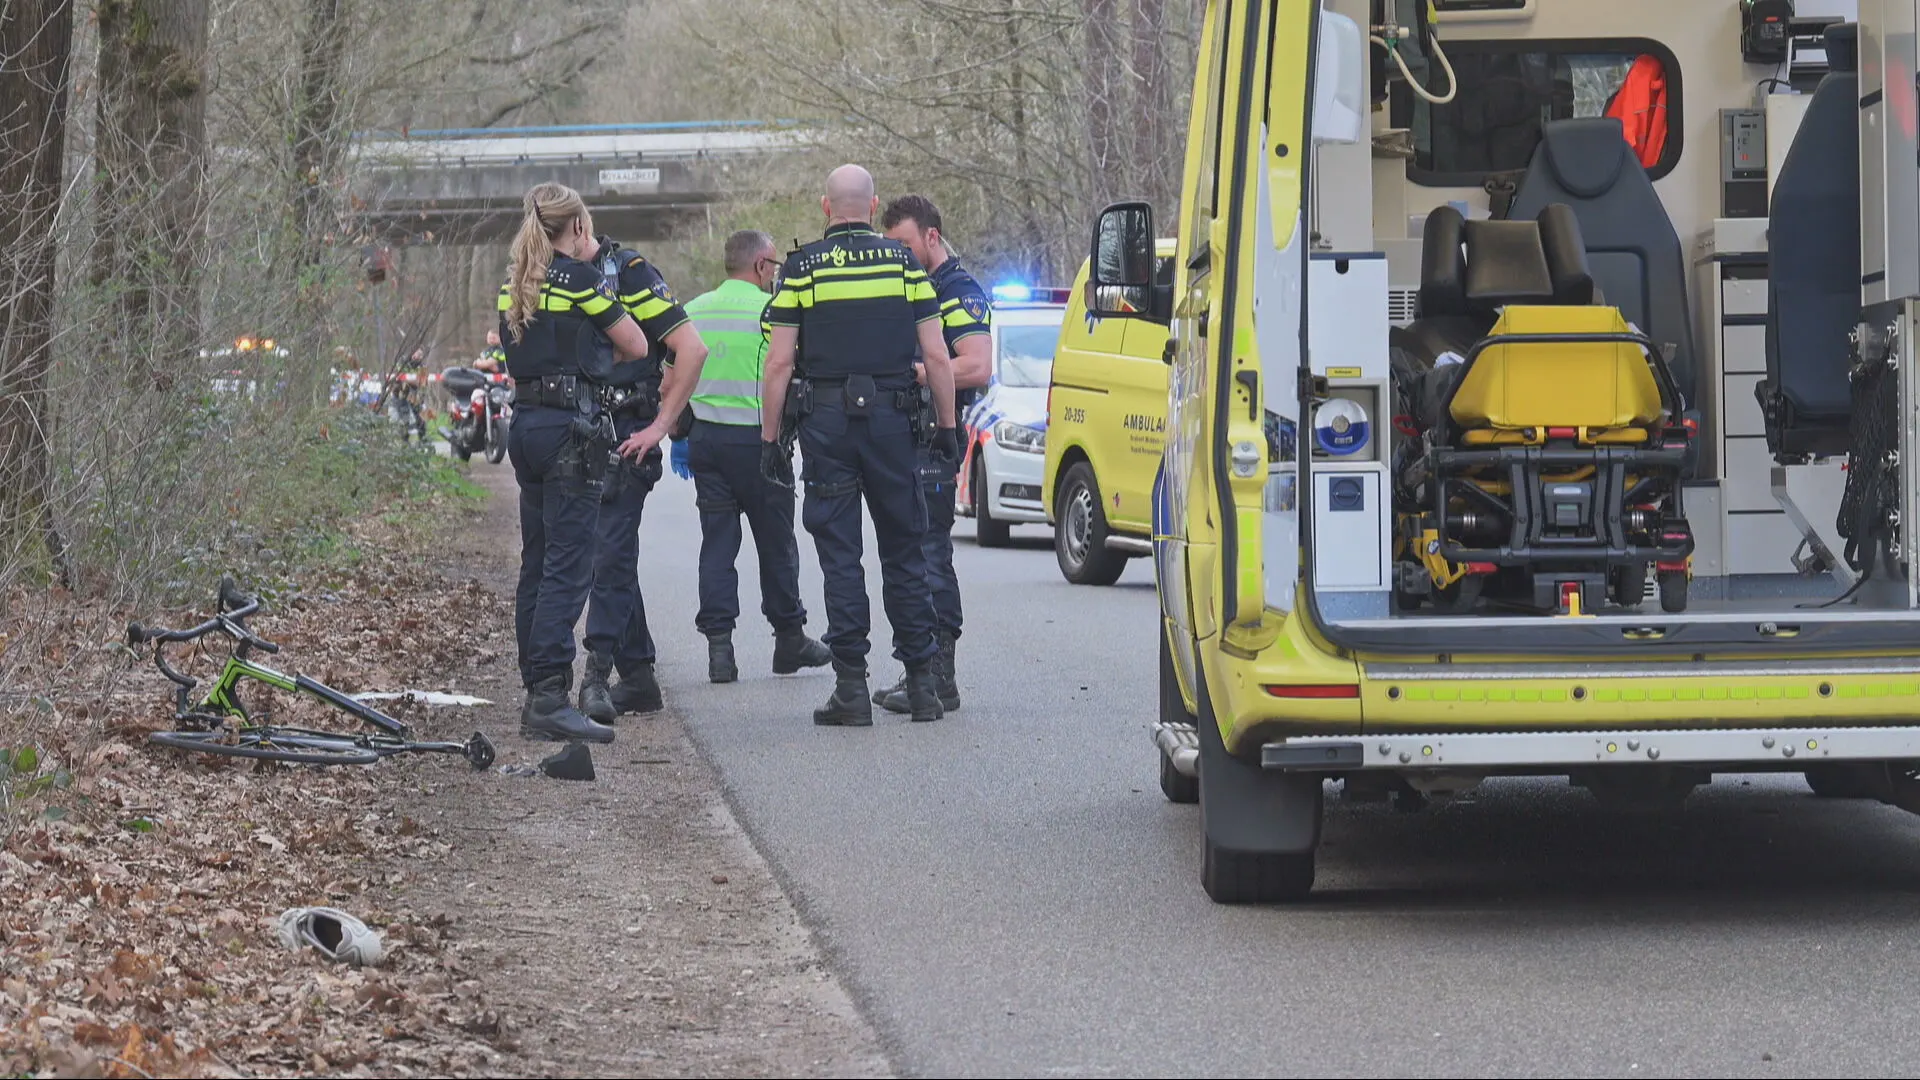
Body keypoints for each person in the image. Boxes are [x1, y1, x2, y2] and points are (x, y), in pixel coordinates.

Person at [761, 165, 960, 726]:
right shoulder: (903, 265)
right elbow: (939, 355)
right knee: (904, 550)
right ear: (872, 208)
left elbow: (778, 363)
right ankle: (922, 684)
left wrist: (769, 439)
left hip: (827, 429)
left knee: (840, 556)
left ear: (827, 209)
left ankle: (851, 687)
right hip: (895, 427)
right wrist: (946, 429)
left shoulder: (800, 270)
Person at [497, 181, 650, 744]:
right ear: (579, 228)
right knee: (570, 564)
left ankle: (536, 683)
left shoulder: (512, 285)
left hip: (527, 425)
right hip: (571, 430)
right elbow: (635, 344)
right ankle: (550, 698)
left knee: (536, 562)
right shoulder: (584, 281)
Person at [681, 229, 832, 683]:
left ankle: (720, 651)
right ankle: (789, 638)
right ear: (762, 266)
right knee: (776, 542)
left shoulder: (692, 310)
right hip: (759, 443)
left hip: (706, 442)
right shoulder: (772, 311)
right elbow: (780, 373)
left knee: (718, 543)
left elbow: (671, 373)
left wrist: (678, 431)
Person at [573, 234, 710, 725]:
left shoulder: (628, 272)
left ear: (578, 231)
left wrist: (660, 425)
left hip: (628, 433)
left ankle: (597, 674)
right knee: (606, 553)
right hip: (584, 434)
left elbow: (691, 347)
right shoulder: (555, 274)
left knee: (608, 554)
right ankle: (638, 675)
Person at [876, 195, 994, 716]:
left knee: (928, 552)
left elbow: (976, 365)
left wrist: (921, 372)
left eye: (904, 244)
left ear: (931, 236)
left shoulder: (956, 290)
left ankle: (940, 673)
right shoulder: (913, 286)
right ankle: (919, 667)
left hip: (935, 438)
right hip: (907, 437)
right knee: (911, 552)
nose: (898, 254)